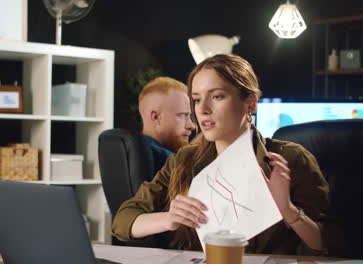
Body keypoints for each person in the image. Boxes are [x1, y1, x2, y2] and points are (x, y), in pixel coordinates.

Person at [112, 54, 329, 254]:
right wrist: (169, 218)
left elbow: (330, 243)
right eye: (196, 99)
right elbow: (122, 221)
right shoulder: (184, 160)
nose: (202, 109)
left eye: (216, 96)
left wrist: (288, 211)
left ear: (250, 103)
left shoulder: (291, 159)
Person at [138, 77, 196, 174]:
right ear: (156, 117)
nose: (191, 126)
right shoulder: (164, 161)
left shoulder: (139, 149)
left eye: (189, 116)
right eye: (182, 115)